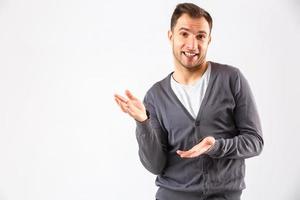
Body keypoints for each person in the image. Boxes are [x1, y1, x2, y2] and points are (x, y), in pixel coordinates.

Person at [114, 3, 263, 200]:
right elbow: (155, 165)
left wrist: (216, 147)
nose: (192, 45)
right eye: (184, 34)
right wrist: (143, 122)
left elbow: (254, 142)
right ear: (171, 36)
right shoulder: (156, 96)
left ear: (209, 40)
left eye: (200, 36)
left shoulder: (231, 79)